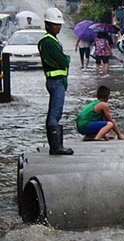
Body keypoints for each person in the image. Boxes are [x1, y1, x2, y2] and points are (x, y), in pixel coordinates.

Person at [38, 7, 73, 155]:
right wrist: (66, 59)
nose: (58, 27)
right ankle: (56, 147)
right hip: (56, 81)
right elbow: (64, 61)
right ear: (47, 24)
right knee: (55, 113)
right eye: (55, 24)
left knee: (54, 113)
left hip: (57, 81)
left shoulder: (51, 40)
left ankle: (56, 145)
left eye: (59, 25)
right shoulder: (49, 42)